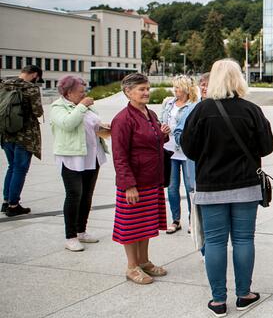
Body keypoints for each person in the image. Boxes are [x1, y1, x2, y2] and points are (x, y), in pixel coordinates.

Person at [181, 59, 273, 318]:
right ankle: (244, 294)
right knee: (244, 239)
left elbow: (188, 149)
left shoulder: (201, 111)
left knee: (214, 242)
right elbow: (267, 147)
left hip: (211, 186)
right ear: (238, 79)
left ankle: (218, 300)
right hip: (245, 185)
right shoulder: (251, 110)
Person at [111, 73, 170, 285]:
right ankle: (131, 266)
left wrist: (163, 134)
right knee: (131, 226)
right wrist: (129, 185)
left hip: (151, 178)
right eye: (141, 89)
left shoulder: (150, 113)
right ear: (128, 92)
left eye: (147, 88)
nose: (146, 92)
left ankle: (144, 261)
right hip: (134, 183)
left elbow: (151, 142)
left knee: (146, 224)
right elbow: (120, 155)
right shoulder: (122, 119)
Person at [51, 75, 108, 251]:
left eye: (85, 91)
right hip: (72, 158)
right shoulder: (58, 107)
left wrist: (105, 128)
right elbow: (68, 124)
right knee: (74, 195)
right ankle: (71, 236)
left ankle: (81, 230)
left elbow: (93, 126)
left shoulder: (86, 108)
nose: (84, 94)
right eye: (81, 92)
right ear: (68, 93)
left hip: (92, 156)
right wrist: (83, 106)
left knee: (87, 195)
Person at [1, 65, 43, 217]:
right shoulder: (31, 88)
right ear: (34, 75)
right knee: (20, 169)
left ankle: (6, 202)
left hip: (6, 134)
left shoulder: (4, 84)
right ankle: (13, 205)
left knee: (12, 167)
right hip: (24, 136)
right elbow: (38, 112)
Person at [160, 75, 198, 234]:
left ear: (186, 89)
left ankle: (192, 220)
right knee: (172, 188)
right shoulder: (168, 103)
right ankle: (176, 220)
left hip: (186, 151)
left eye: (178, 88)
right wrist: (163, 128)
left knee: (190, 187)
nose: (175, 91)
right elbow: (161, 120)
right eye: (174, 87)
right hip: (169, 150)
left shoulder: (194, 105)